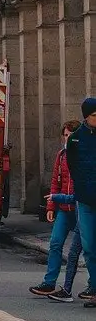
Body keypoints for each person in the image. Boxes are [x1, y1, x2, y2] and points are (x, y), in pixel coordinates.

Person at [29, 121, 84, 300]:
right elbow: (55, 182)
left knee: (86, 250)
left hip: (80, 210)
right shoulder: (61, 156)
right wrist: (51, 206)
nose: (67, 138)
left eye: (70, 135)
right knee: (55, 243)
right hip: (63, 209)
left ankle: (91, 287)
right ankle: (49, 282)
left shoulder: (83, 155)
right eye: (65, 135)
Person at [64, 96, 96, 308]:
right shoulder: (75, 139)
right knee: (89, 247)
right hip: (85, 200)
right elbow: (72, 165)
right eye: (94, 115)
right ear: (86, 117)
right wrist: (81, 187)